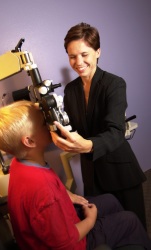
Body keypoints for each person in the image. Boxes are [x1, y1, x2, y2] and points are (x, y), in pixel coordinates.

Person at [0, 100, 151, 250]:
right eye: (44, 123)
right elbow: (66, 243)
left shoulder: (19, 162)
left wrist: (67, 194)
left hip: (55, 224)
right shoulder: (44, 191)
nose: (51, 125)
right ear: (29, 141)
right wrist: (90, 220)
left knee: (110, 200)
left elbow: (46, 191)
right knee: (130, 221)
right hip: (72, 244)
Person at [50, 22, 147, 229]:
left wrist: (88, 146)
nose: (78, 62)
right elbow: (75, 128)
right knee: (107, 227)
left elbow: (116, 132)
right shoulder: (71, 91)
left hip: (120, 170)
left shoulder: (114, 84)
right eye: (72, 56)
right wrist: (57, 131)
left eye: (84, 54)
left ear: (98, 52)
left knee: (135, 228)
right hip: (92, 173)